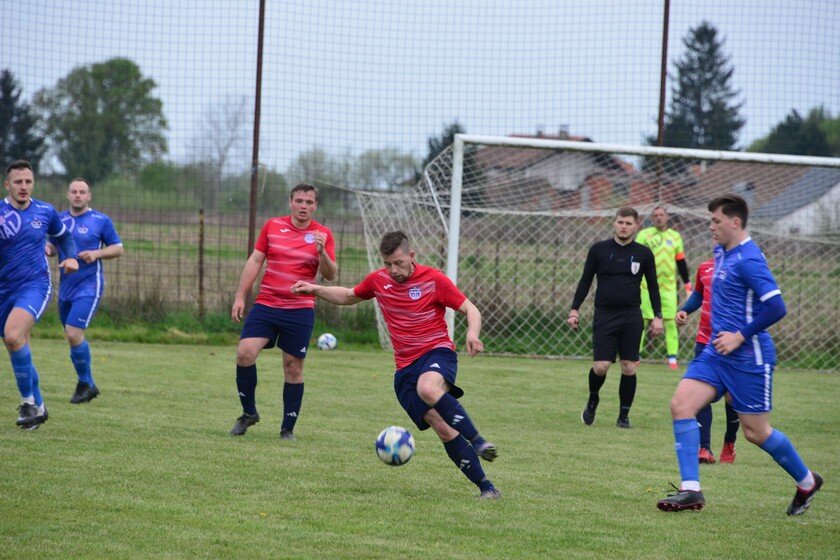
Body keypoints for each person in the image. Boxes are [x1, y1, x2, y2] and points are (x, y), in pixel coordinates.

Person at [291, 230, 500, 499]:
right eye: (388, 264)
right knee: (444, 429)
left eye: (398, 263)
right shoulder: (379, 280)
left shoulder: (434, 279)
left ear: (411, 256)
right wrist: (315, 289)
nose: (393, 270)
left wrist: (472, 334)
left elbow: (471, 309)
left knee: (428, 387)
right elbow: (349, 295)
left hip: (437, 353)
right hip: (405, 370)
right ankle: (487, 487)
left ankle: (478, 441)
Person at [657, 194, 823, 515]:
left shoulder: (749, 260)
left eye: (716, 221)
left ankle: (806, 481)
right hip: (716, 353)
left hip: (749, 358)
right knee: (681, 405)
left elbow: (777, 307)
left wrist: (740, 336)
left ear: (735, 222)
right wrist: (690, 310)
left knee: (755, 433)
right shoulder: (721, 252)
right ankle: (691, 490)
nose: (711, 227)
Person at [229, 183, 337, 440]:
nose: (303, 206)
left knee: (293, 368)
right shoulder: (272, 226)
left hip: (300, 309)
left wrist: (322, 252)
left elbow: (331, 274)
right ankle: (249, 413)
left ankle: (287, 429)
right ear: (290, 202)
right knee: (245, 353)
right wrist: (240, 296)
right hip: (266, 304)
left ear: (315, 206)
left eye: (309, 202)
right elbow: (255, 260)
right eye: (299, 201)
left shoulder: (323, 234)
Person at [568, 207, 663, 429]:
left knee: (629, 366)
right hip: (605, 315)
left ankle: (623, 417)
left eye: (628, 223)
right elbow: (585, 280)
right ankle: (593, 398)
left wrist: (658, 316)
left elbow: (653, 286)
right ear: (614, 223)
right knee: (601, 366)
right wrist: (574, 309)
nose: (624, 227)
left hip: (631, 316)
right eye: (620, 222)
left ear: (636, 226)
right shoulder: (599, 250)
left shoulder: (644, 253)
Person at [1, 160, 78, 429]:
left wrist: (71, 257)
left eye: (28, 181)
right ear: (7, 185)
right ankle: (40, 408)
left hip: (35, 285)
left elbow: (64, 238)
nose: (24, 186)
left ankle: (28, 404)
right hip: (4, 290)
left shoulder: (45, 211)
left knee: (13, 336)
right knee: (17, 345)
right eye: (18, 182)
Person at [46, 178, 124, 404]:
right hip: (66, 287)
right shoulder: (59, 220)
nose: (78, 195)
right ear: (68, 195)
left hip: (89, 285)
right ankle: (87, 384)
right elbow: (51, 246)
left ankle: (85, 383)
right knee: (72, 336)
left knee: (73, 333)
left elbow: (118, 248)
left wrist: (97, 253)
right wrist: (45, 249)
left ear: (89, 196)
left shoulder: (101, 220)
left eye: (82, 192)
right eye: (74, 191)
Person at [676, 257, 739, 464]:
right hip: (705, 340)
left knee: (731, 396)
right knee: (700, 392)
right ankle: (704, 448)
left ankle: (729, 442)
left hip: (732, 342)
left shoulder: (743, 265)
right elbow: (698, 293)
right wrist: (685, 310)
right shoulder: (705, 267)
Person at [636, 206, 692, 370]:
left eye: (661, 215)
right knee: (640, 321)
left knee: (670, 322)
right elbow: (635, 257)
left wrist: (688, 285)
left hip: (668, 287)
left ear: (667, 217)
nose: (659, 217)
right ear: (652, 218)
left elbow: (680, 262)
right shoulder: (644, 235)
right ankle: (635, 355)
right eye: (655, 215)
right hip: (646, 286)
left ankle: (672, 359)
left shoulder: (675, 236)